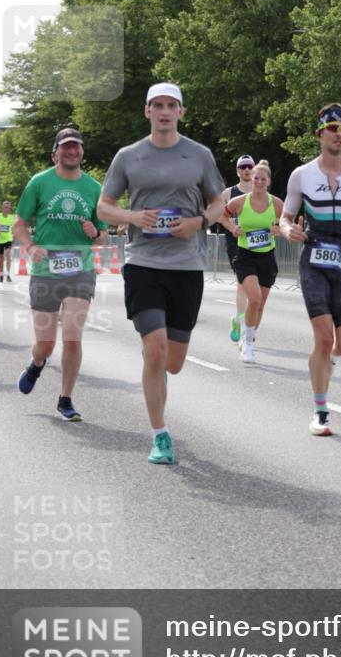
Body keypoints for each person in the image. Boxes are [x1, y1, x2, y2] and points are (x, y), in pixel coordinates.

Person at [97, 82, 226, 465]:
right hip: (143, 263)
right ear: (147, 111)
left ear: (182, 112)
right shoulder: (129, 156)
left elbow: (219, 201)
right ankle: (160, 434)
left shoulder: (199, 155)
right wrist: (132, 216)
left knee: (173, 361)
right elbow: (104, 207)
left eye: (172, 105)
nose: (165, 111)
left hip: (186, 266)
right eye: (158, 105)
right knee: (155, 351)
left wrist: (199, 222)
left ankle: (158, 359)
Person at [280, 103, 341, 436]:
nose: (339, 135)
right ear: (319, 133)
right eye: (333, 129)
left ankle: (325, 358)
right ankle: (321, 412)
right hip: (314, 259)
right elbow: (286, 217)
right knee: (323, 337)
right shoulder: (301, 175)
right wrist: (287, 230)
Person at [12, 126, 108, 421]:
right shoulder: (39, 183)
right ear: (56, 152)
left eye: (76, 146)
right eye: (66, 146)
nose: (72, 150)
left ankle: (65, 399)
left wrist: (95, 233)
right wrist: (29, 247)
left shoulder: (94, 188)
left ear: (81, 151)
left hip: (80, 270)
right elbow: (19, 224)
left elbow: (103, 236)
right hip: (45, 271)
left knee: (72, 337)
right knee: (46, 343)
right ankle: (36, 364)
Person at [221, 160, 282, 364]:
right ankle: (247, 346)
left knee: (260, 305)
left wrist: (278, 229)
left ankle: (249, 336)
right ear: (252, 179)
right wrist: (232, 228)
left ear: (268, 182)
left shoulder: (277, 204)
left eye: (263, 179)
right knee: (254, 299)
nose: (258, 182)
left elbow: (282, 224)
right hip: (245, 255)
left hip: (267, 256)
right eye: (256, 178)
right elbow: (222, 215)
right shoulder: (239, 202)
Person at [220, 154, 255, 342]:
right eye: (243, 167)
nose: (247, 170)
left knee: (256, 287)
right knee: (242, 282)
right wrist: (233, 228)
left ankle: (239, 319)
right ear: (237, 171)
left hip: (258, 243)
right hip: (236, 242)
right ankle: (242, 324)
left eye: (250, 166)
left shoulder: (261, 192)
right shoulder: (228, 193)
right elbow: (219, 216)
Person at [0, 200, 17, 281]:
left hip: (8, 239)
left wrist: (14, 237)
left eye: (7, 207)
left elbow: (14, 229)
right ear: (2, 208)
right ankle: (1, 274)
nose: (6, 209)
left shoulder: (12, 217)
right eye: (4, 207)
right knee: (1, 257)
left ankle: (8, 274)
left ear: (9, 209)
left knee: (8, 255)